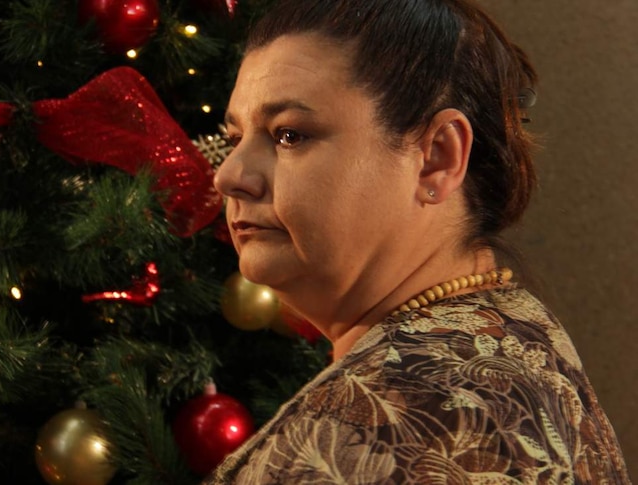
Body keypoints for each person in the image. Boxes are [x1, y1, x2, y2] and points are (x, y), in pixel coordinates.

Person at [206, 0, 631, 483]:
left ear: (437, 157)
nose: (229, 175)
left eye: (288, 135)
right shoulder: (512, 336)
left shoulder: (390, 426)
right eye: (235, 137)